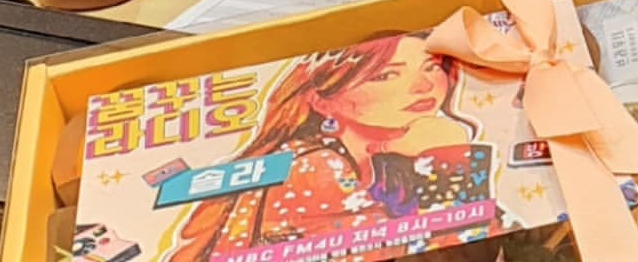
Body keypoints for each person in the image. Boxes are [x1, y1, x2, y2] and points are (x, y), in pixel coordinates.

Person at [166, 35, 473, 261]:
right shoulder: (309, 166)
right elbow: (454, 246)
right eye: (386, 75)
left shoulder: (390, 162)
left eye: (431, 68)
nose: (424, 86)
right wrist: (448, 161)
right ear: (322, 101)